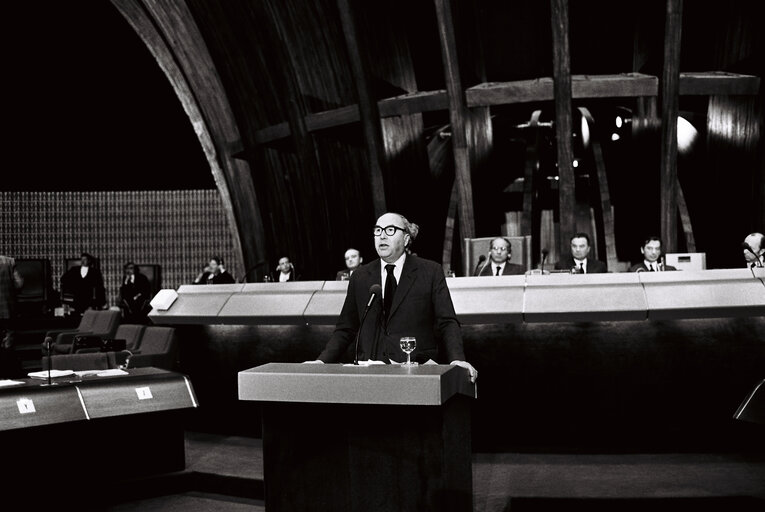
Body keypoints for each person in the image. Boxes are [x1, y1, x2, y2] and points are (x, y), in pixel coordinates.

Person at [307, 212, 477, 383]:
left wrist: (457, 359)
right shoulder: (360, 276)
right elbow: (346, 328)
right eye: (378, 230)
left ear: (405, 239)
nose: (382, 235)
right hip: (369, 376)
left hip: (417, 374)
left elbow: (446, 322)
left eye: (390, 230)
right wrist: (321, 361)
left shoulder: (430, 271)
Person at [1, 255, 24, 378]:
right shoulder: (9, 261)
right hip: (7, 309)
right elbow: (19, 284)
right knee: (8, 342)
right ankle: (8, 374)